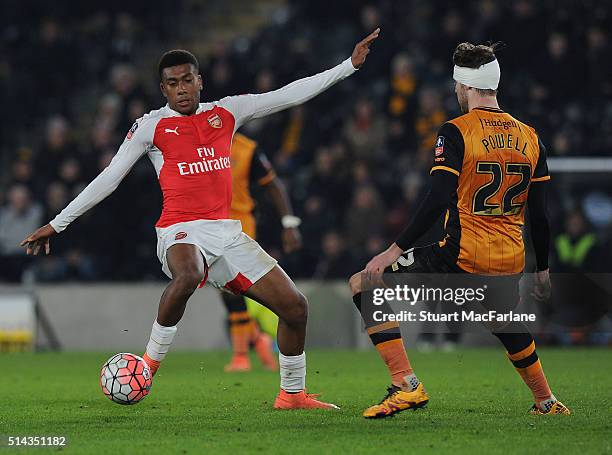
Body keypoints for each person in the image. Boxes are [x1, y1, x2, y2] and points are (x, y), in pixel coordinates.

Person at [21, 28, 380, 410]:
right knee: (189, 274)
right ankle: (147, 367)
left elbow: (286, 95)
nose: (181, 89)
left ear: (199, 80)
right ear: (163, 89)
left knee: (296, 308)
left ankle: (291, 394)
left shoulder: (226, 111)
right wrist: (58, 223)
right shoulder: (150, 126)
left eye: (187, 80)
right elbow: (109, 177)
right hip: (177, 229)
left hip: (226, 234)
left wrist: (347, 67)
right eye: (172, 83)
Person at [349, 42, 570, 418]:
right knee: (503, 323)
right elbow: (540, 216)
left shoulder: (456, 131)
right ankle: (546, 401)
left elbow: (437, 197)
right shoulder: (531, 137)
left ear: (466, 87)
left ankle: (406, 386)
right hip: (509, 259)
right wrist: (543, 267)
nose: (455, 92)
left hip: (462, 251)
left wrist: (394, 250)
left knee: (363, 282)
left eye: (457, 86)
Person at [222, 132, 302, 372]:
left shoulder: (247, 149)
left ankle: (241, 355)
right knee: (226, 289)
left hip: (239, 226)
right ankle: (257, 342)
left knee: (231, 290)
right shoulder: (199, 146)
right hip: (208, 226)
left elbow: (273, 184)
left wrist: (289, 223)